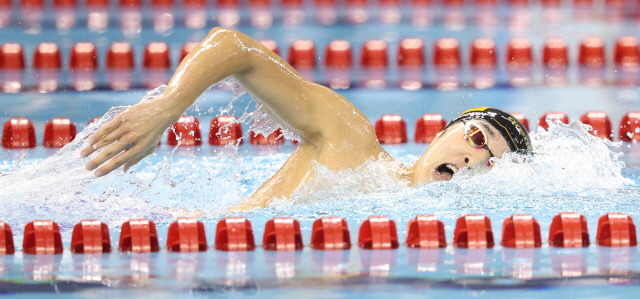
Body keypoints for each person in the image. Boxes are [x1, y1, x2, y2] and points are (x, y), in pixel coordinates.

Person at [80, 27, 532, 210]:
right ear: (441, 133)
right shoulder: (351, 143)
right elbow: (234, 46)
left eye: (493, 162)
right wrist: (166, 107)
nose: (476, 160)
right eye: (477, 138)